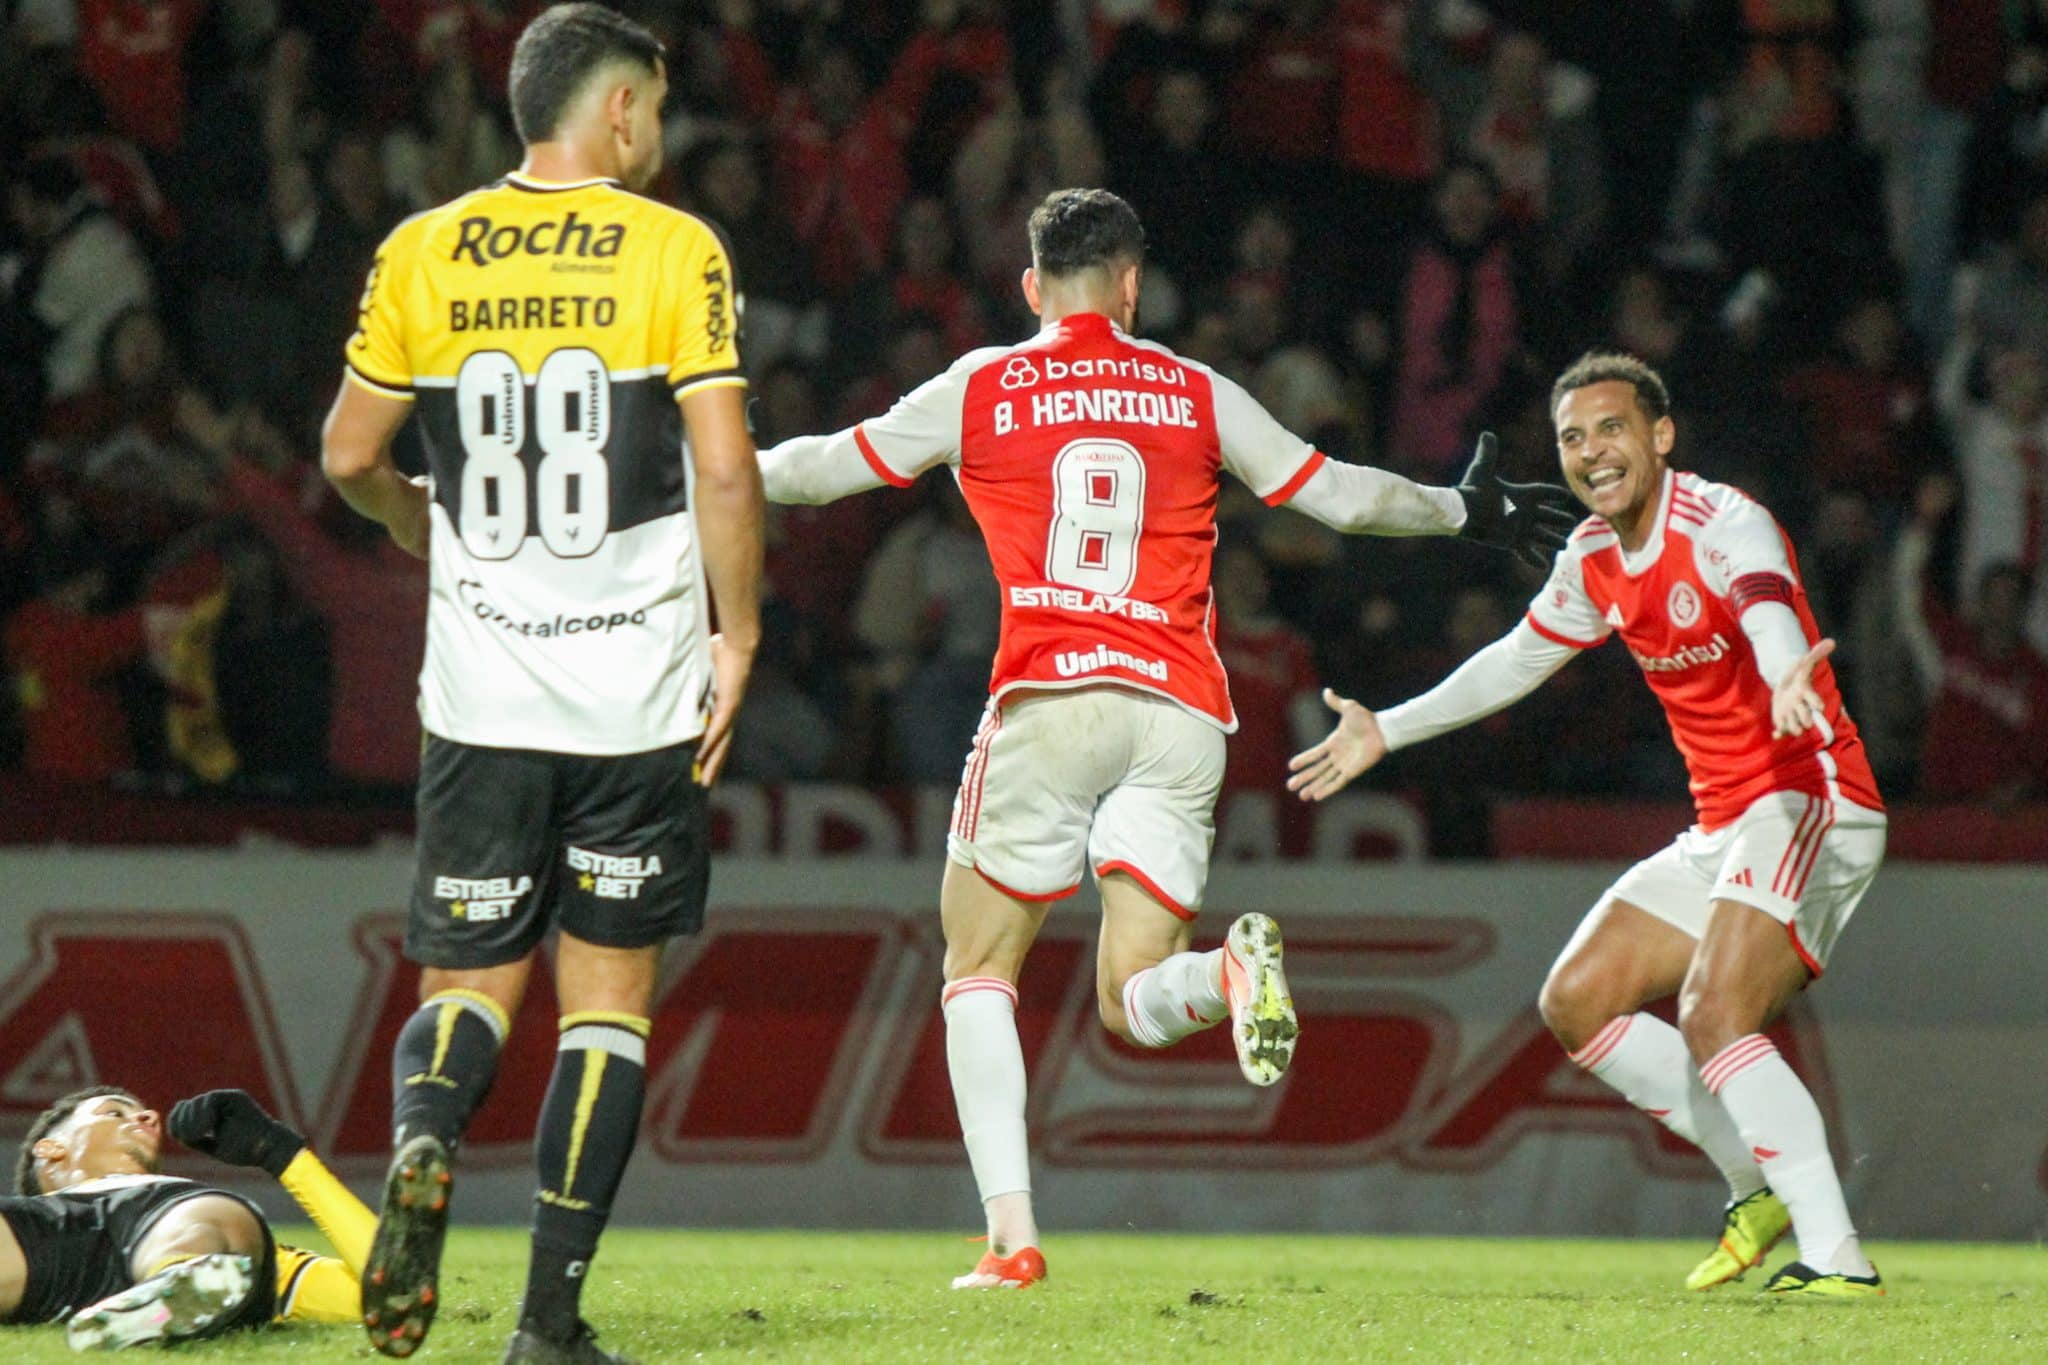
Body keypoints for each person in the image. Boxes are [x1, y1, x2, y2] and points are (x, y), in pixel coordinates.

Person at [758, 187, 1576, 1290]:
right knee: (1132, 998)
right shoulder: (1194, 389)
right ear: (1133, 286)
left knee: (976, 968)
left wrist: (711, 469)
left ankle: (1011, 1241)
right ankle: (1220, 978)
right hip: (1182, 712)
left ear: (1030, 285)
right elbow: (1333, 498)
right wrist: (1460, 511)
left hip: (1050, 701)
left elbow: (819, 469)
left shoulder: (981, 387)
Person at [319, 5, 764, 1362]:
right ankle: (546, 1325)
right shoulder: (673, 249)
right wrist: (735, 635)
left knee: (464, 987)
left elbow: (345, 455)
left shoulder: (424, 248)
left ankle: (424, 1141)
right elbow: (726, 466)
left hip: (480, 700)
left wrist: (417, 524)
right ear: (620, 110)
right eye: (658, 108)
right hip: (634, 701)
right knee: (608, 1007)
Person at [1291, 352, 1889, 1299]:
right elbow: (1515, 662)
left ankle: (1838, 1259)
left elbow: (1767, 603)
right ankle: (1757, 1184)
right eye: (1573, 437)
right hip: (1727, 821)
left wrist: (1784, 670)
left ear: (1660, 435)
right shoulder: (1595, 558)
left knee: (1714, 1012)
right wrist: (1388, 728)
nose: (1591, 452)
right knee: (1577, 1000)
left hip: (1811, 794)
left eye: (1611, 429)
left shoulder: (1725, 522)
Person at [4, 1086, 371, 1349]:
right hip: (49, 1236)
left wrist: (282, 1154)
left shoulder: (194, 1208)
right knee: (214, 1216)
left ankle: (177, 1280)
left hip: (172, 1229)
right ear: (51, 1149)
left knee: (210, 1214)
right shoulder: (34, 1216)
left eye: (142, 1112)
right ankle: (170, 1297)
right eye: (115, 1112)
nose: (148, 1116)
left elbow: (390, 1284)